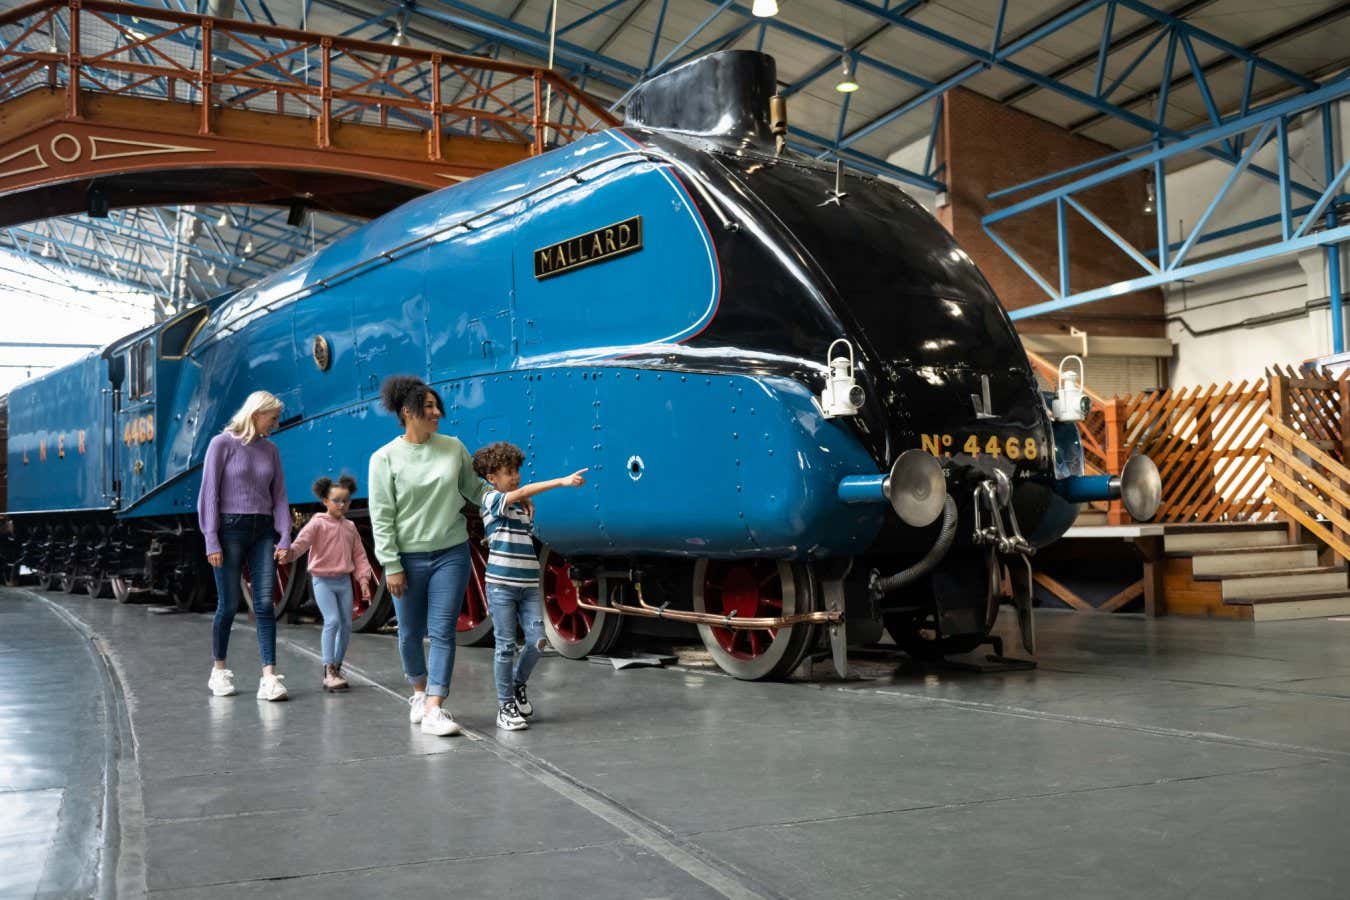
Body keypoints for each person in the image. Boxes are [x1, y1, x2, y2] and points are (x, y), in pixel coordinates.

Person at [368, 376, 486, 736]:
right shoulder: (384, 458)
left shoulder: (453, 448)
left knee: (443, 631)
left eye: (437, 406)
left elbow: (475, 489)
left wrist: (508, 499)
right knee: (408, 633)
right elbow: (382, 517)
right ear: (407, 412)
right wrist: (391, 565)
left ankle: (435, 705)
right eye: (428, 407)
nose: (437, 413)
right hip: (407, 559)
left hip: (451, 551)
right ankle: (418, 691)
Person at [472, 442, 587, 731]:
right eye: (508, 472)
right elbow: (520, 493)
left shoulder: (522, 508)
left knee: (537, 642)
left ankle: (517, 684)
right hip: (501, 586)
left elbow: (521, 499)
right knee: (505, 646)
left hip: (528, 585)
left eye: (516, 471)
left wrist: (524, 500)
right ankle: (505, 706)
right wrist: (561, 481)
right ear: (491, 478)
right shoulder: (489, 501)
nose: (515, 477)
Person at [197, 390, 292, 701]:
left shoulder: (272, 450)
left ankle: (269, 677)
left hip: (262, 532)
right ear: (256, 414)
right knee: (228, 605)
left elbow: (279, 496)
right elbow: (208, 494)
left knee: (264, 605)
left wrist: (285, 535)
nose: (275, 424)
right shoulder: (221, 444)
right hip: (229, 532)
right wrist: (211, 538)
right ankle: (219, 670)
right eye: (272, 418)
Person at [280, 475, 375, 692]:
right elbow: (301, 544)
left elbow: (359, 556)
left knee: (346, 625)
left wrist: (363, 580)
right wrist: (288, 554)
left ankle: (337, 666)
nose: (342, 505)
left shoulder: (350, 527)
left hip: (344, 582)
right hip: (322, 581)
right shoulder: (317, 523)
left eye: (346, 501)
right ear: (325, 501)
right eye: (336, 500)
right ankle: (328, 669)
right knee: (332, 621)